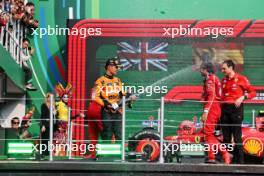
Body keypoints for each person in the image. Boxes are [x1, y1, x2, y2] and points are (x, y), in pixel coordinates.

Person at [221, 59, 256, 164]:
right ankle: (228, 161)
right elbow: (222, 95)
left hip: (236, 110)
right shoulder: (223, 80)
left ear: (231, 68)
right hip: (224, 109)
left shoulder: (241, 78)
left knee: (237, 137)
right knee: (226, 138)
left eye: (224, 68)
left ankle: (241, 163)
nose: (222, 70)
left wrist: (242, 97)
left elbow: (253, 92)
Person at [93, 58, 136, 144]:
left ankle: (120, 155)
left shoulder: (117, 80)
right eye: (116, 67)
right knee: (107, 133)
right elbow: (94, 96)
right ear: (109, 67)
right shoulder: (100, 81)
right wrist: (106, 104)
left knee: (119, 133)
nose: (117, 69)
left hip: (118, 111)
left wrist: (129, 96)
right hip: (106, 112)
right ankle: (105, 155)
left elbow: (121, 94)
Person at [199, 62, 231, 164]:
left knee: (208, 133)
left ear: (205, 69)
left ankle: (223, 154)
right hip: (214, 107)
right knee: (208, 134)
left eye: (201, 69)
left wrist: (205, 111)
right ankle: (212, 157)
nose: (199, 71)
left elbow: (212, 96)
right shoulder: (211, 79)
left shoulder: (210, 79)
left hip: (212, 108)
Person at [40, 93, 56, 157]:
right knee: (45, 139)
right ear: (46, 98)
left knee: (50, 139)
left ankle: (49, 153)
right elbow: (43, 116)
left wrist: (54, 112)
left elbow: (55, 116)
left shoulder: (54, 106)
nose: (50, 98)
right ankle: (44, 153)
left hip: (52, 125)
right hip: (46, 125)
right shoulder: (43, 105)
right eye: (48, 97)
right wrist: (43, 125)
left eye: (51, 97)